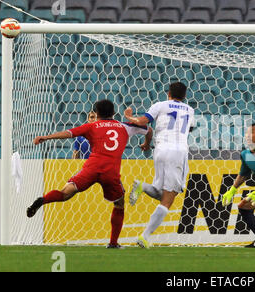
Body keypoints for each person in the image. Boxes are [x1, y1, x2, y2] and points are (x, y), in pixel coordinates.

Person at [27, 99, 153, 249]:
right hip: (110, 171)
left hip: (91, 167)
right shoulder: (125, 127)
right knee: (119, 204)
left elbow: (69, 133)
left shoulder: (91, 125)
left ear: (97, 114)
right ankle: (113, 243)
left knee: (66, 193)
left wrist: (46, 137)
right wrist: (146, 143)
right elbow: (149, 130)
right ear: (113, 113)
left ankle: (43, 200)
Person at [123, 82, 195, 248]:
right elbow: (189, 129)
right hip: (178, 152)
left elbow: (142, 121)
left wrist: (129, 117)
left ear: (168, 93)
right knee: (168, 199)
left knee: (161, 193)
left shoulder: (159, 105)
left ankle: (142, 186)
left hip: (160, 151)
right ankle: (145, 236)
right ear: (184, 96)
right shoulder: (190, 110)